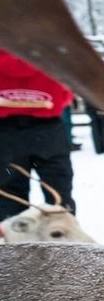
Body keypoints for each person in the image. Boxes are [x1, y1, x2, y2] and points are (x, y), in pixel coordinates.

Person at [0, 49, 77, 219]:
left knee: (9, 193)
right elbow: (65, 96)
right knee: (58, 191)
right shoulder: (50, 58)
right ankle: (63, 238)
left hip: (4, 133)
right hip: (48, 131)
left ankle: (13, 242)